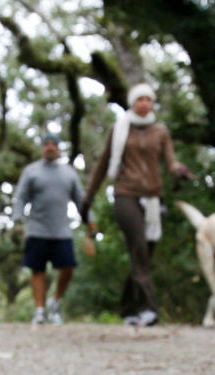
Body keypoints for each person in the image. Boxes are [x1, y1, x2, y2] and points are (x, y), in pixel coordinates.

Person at [82, 83, 191, 327]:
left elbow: (170, 161)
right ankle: (149, 308)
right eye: (139, 99)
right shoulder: (119, 129)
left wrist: (179, 170)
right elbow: (102, 164)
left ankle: (128, 308)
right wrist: (88, 198)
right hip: (125, 194)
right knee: (139, 245)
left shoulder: (160, 131)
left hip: (153, 197)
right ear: (132, 103)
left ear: (152, 104)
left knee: (142, 255)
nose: (144, 104)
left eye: (148, 100)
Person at [12, 133, 86, 325]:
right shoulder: (31, 171)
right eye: (46, 144)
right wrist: (18, 219)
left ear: (59, 148)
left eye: (54, 144)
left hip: (62, 229)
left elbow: (80, 200)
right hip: (37, 229)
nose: (50, 147)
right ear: (42, 148)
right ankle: (39, 310)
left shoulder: (69, 173)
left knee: (68, 266)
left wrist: (90, 221)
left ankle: (55, 302)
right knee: (37, 270)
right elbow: (21, 197)